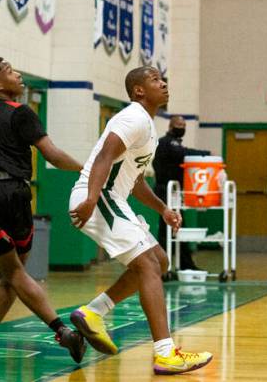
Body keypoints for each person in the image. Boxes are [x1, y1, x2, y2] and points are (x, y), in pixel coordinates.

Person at [68, 67, 213, 375]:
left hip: (111, 198)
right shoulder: (131, 117)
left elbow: (134, 181)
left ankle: (92, 312)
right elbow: (104, 157)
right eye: (155, 80)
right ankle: (165, 352)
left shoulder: (147, 126)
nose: (164, 84)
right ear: (138, 91)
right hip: (98, 196)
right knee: (147, 264)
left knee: (159, 262)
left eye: (164, 80)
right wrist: (92, 198)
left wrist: (162, 209)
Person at [0, 57, 87, 364]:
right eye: (11, 71)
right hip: (15, 191)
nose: (18, 75)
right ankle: (62, 331)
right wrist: (88, 169)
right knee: (16, 272)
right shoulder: (22, 113)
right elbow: (53, 156)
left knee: (12, 274)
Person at [152, 115, 210, 270]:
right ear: (171, 126)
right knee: (167, 230)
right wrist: (206, 153)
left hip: (174, 192)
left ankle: (184, 265)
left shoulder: (174, 143)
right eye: (179, 124)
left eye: (184, 124)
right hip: (165, 191)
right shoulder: (167, 142)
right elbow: (183, 153)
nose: (182, 127)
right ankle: (164, 266)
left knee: (177, 227)